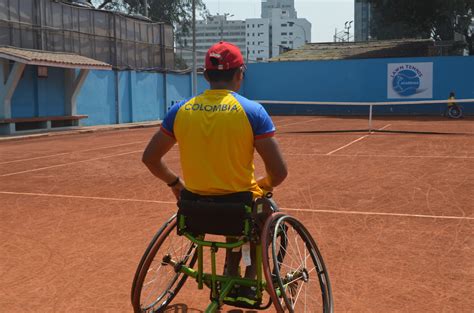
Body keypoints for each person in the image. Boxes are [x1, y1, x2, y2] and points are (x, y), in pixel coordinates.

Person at [142, 41, 288, 306]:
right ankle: (250, 274)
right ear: (239, 74)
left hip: (194, 210)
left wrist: (175, 183)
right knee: (262, 208)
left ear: (206, 75)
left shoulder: (179, 111)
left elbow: (150, 158)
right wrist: (261, 185)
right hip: (238, 208)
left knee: (240, 208)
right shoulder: (253, 111)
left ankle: (229, 271)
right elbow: (279, 172)